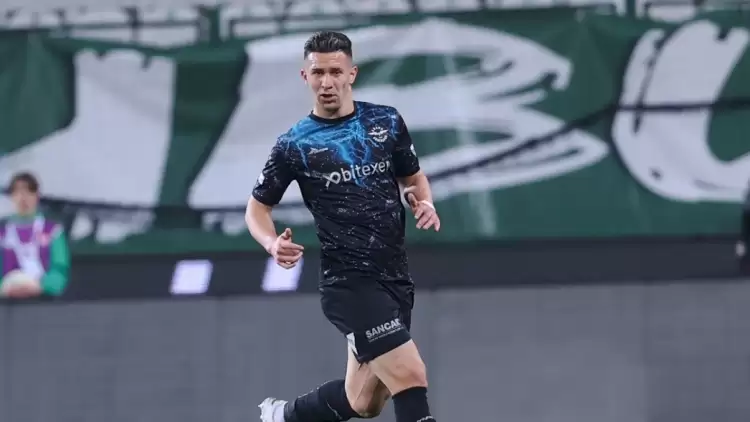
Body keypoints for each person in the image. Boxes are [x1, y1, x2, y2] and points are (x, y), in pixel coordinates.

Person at [245, 31, 440, 422]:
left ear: (352, 74)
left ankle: (283, 417)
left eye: (335, 72)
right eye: (318, 73)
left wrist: (423, 201)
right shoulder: (294, 144)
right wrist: (271, 243)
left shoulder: (386, 121)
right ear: (305, 77)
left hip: (395, 279)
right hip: (349, 284)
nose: (327, 82)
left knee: (364, 402)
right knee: (410, 374)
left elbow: (412, 177)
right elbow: (257, 209)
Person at [0, 172, 70, 299]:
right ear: (11, 196)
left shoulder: (53, 231)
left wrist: (42, 286)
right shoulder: (2, 232)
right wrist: (5, 288)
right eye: (17, 192)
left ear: (37, 195)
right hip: (6, 304)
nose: (23, 198)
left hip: (43, 304)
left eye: (29, 191)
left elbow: (59, 270)